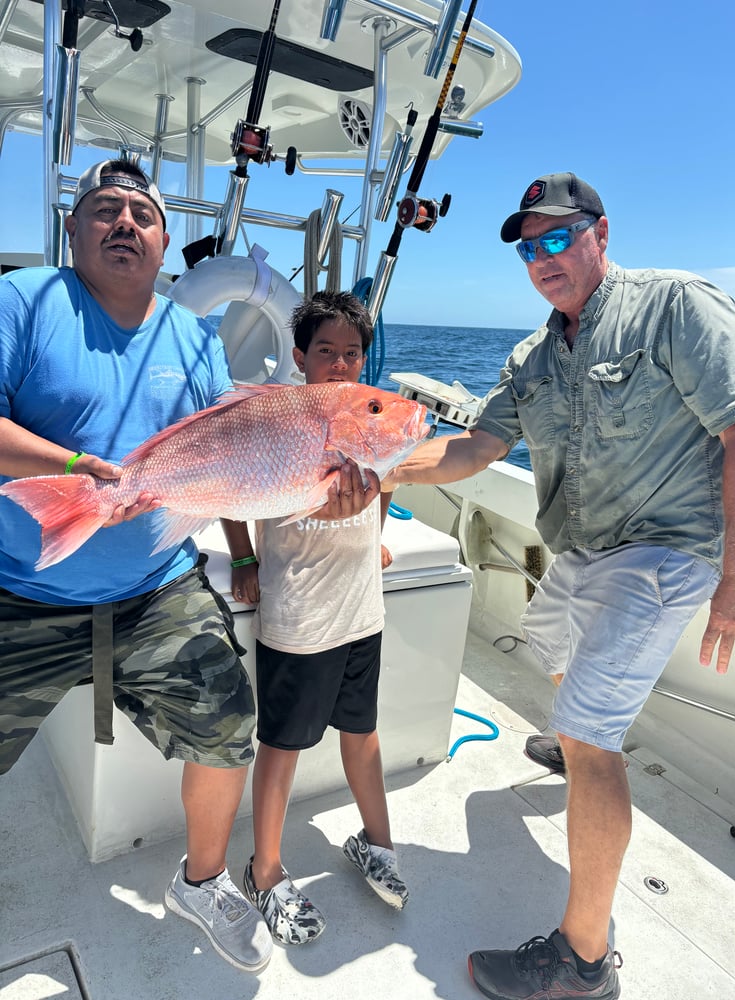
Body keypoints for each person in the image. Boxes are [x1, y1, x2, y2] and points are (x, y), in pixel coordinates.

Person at [0, 159, 373, 975]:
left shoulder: (191, 334)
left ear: (166, 239)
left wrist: (245, 548)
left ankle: (202, 882)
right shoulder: (21, 301)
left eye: (142, 211)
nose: (125, 223)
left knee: (228, 729)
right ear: (75, 227)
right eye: (105, 210)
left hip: (154, 589)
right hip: (17, 588)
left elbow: (229, 459)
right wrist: (80, 466)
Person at [383, 172, 735, 1000]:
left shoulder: (674, 306)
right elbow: (475, 448)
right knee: (546, 641)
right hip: (580, 554)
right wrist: (376, 477)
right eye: (528, 245)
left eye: (559, 236)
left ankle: (583, 965)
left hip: (664, 553)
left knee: (588, 735)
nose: (542, 256)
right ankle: (582, 738)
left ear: (601, 233)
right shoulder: (531, 357)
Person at [221, 290, 409, 946]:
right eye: (324, 351)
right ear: (298, 356)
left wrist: (375, 533)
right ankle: (264, 871)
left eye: (351, 353)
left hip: (362, 611)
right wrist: (243, 554)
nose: (338, 364)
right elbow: (227, 484)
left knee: (363, 732)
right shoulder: (277, 417)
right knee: (283, 746)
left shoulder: (369, 415)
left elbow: (382, 483)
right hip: (299, 615)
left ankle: (377, 841)